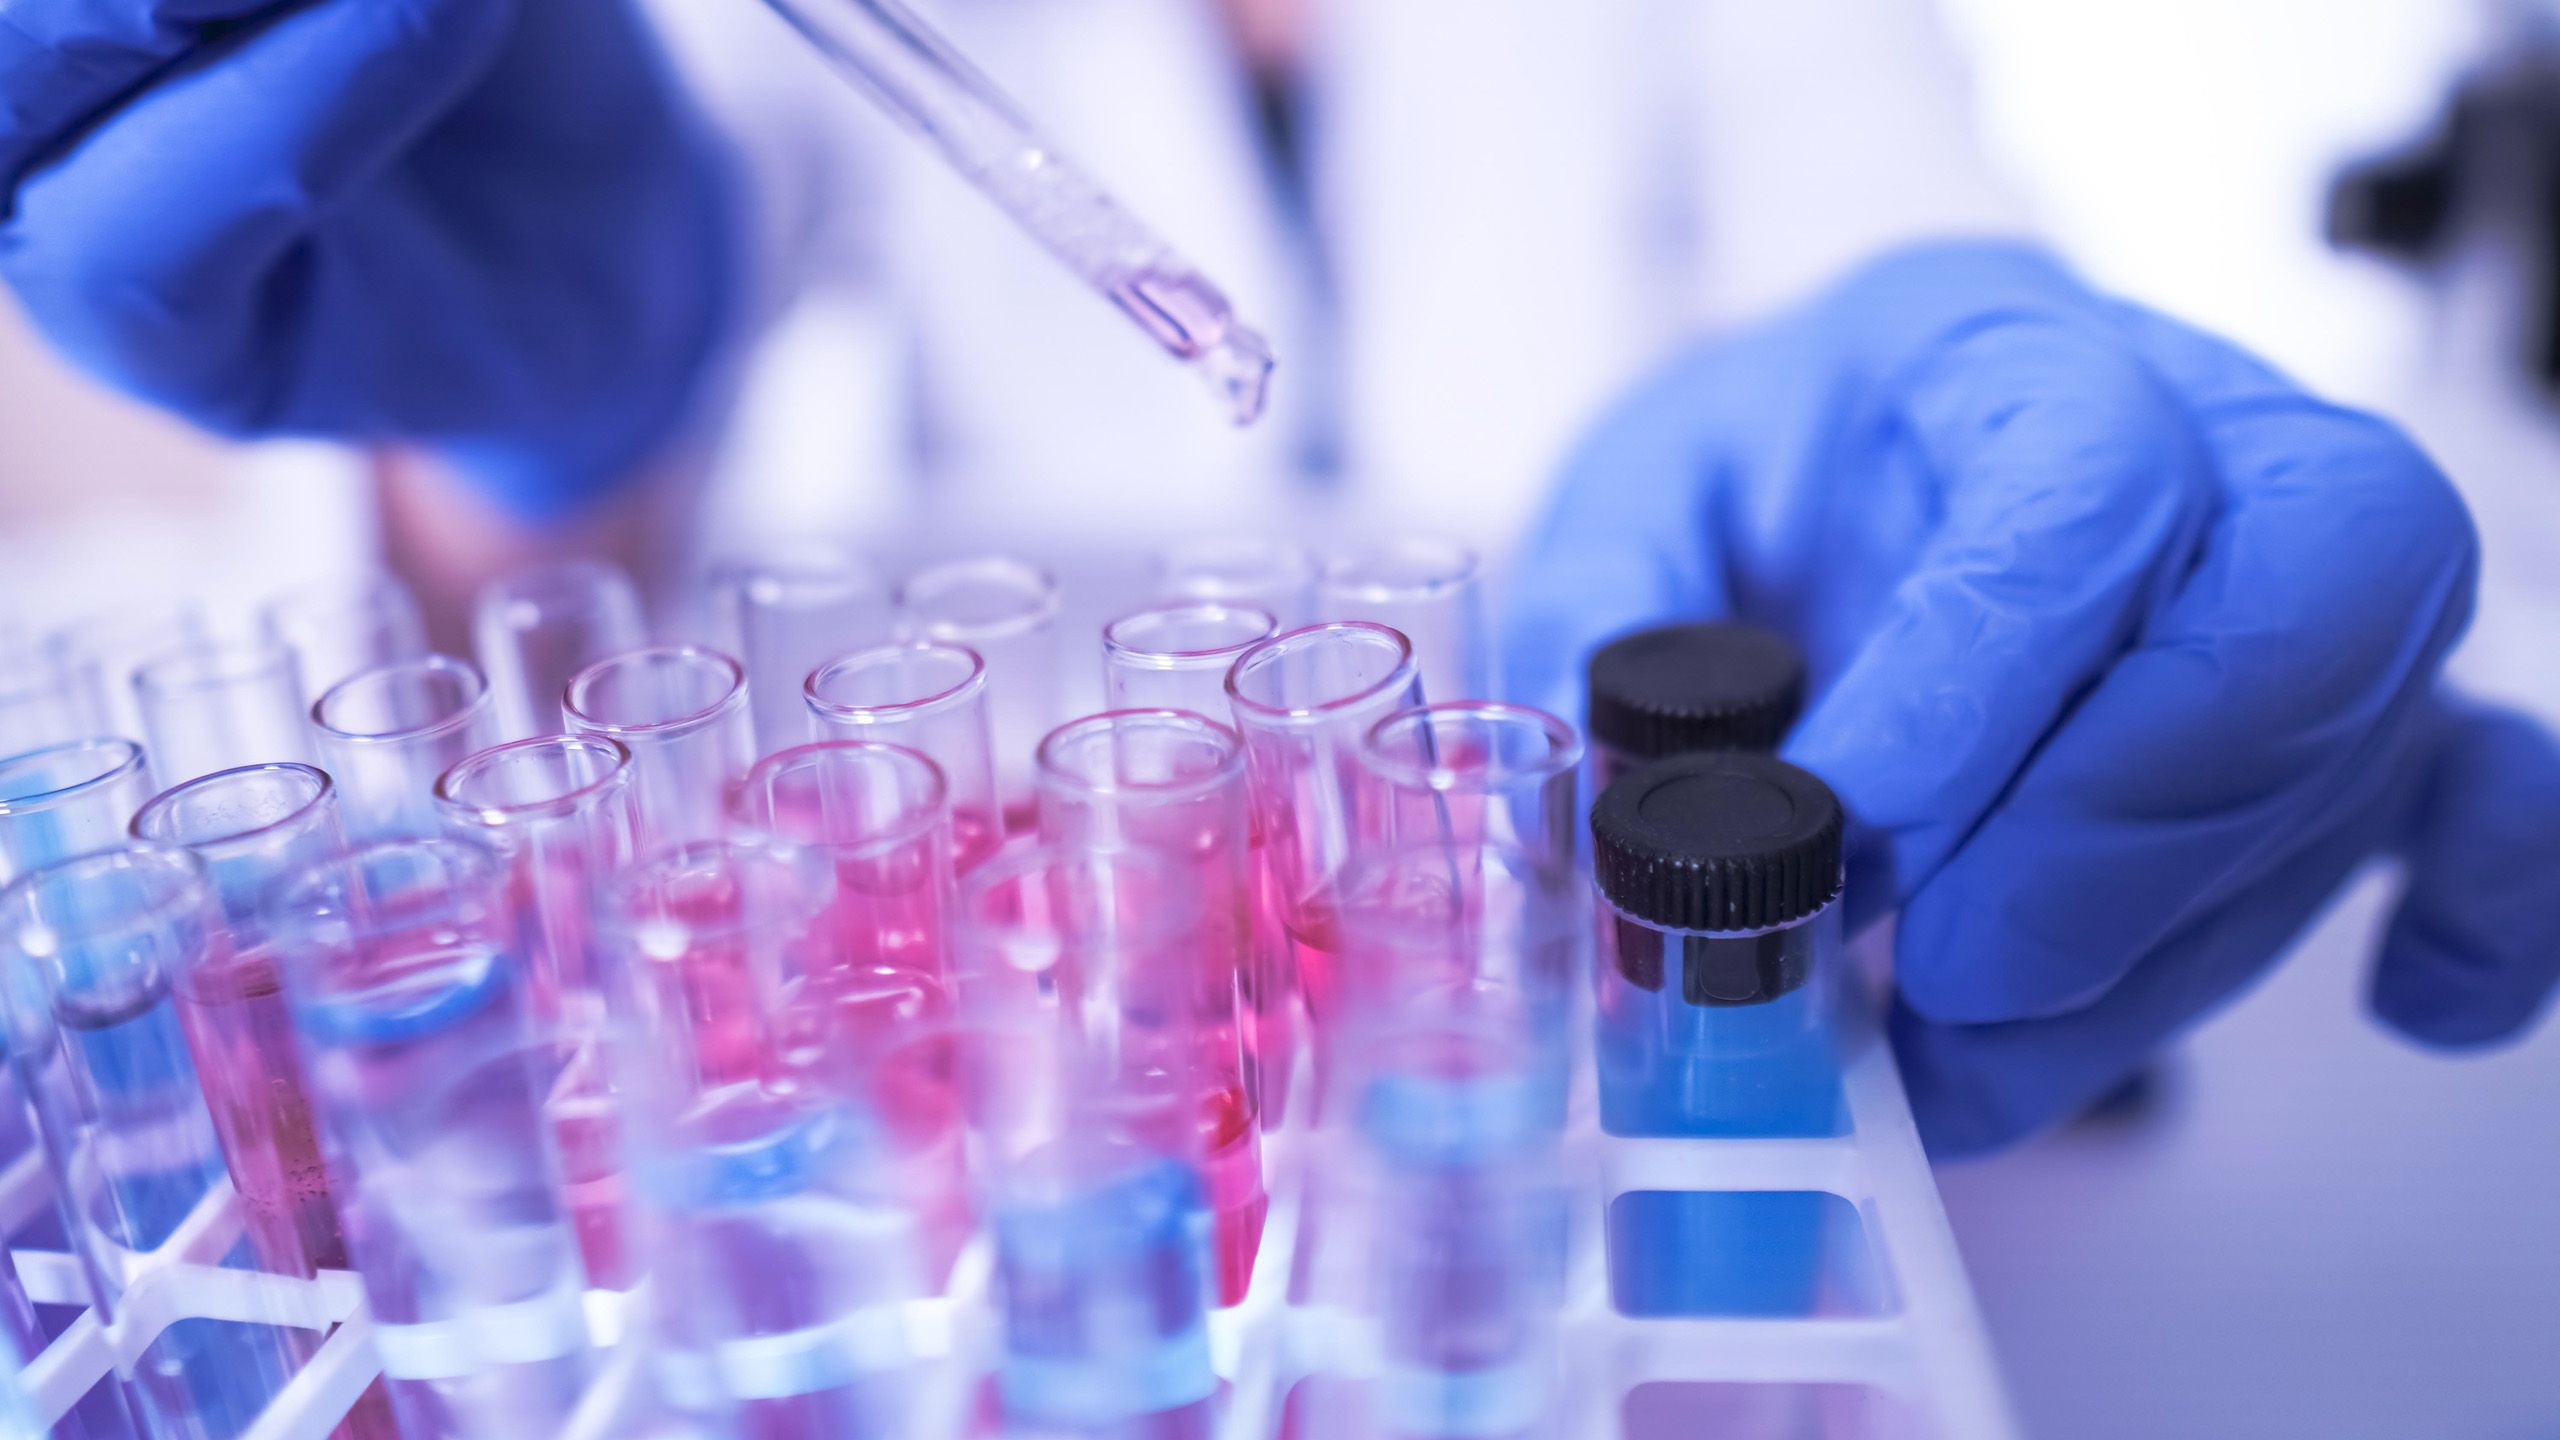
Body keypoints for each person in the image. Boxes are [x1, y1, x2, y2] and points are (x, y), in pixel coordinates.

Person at [1, 0, 2554, 1161]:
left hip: (1594, 1067)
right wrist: (529, 420)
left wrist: (2019, 530)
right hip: (1066, 1076)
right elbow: (529, 628)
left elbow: (1897, 234)